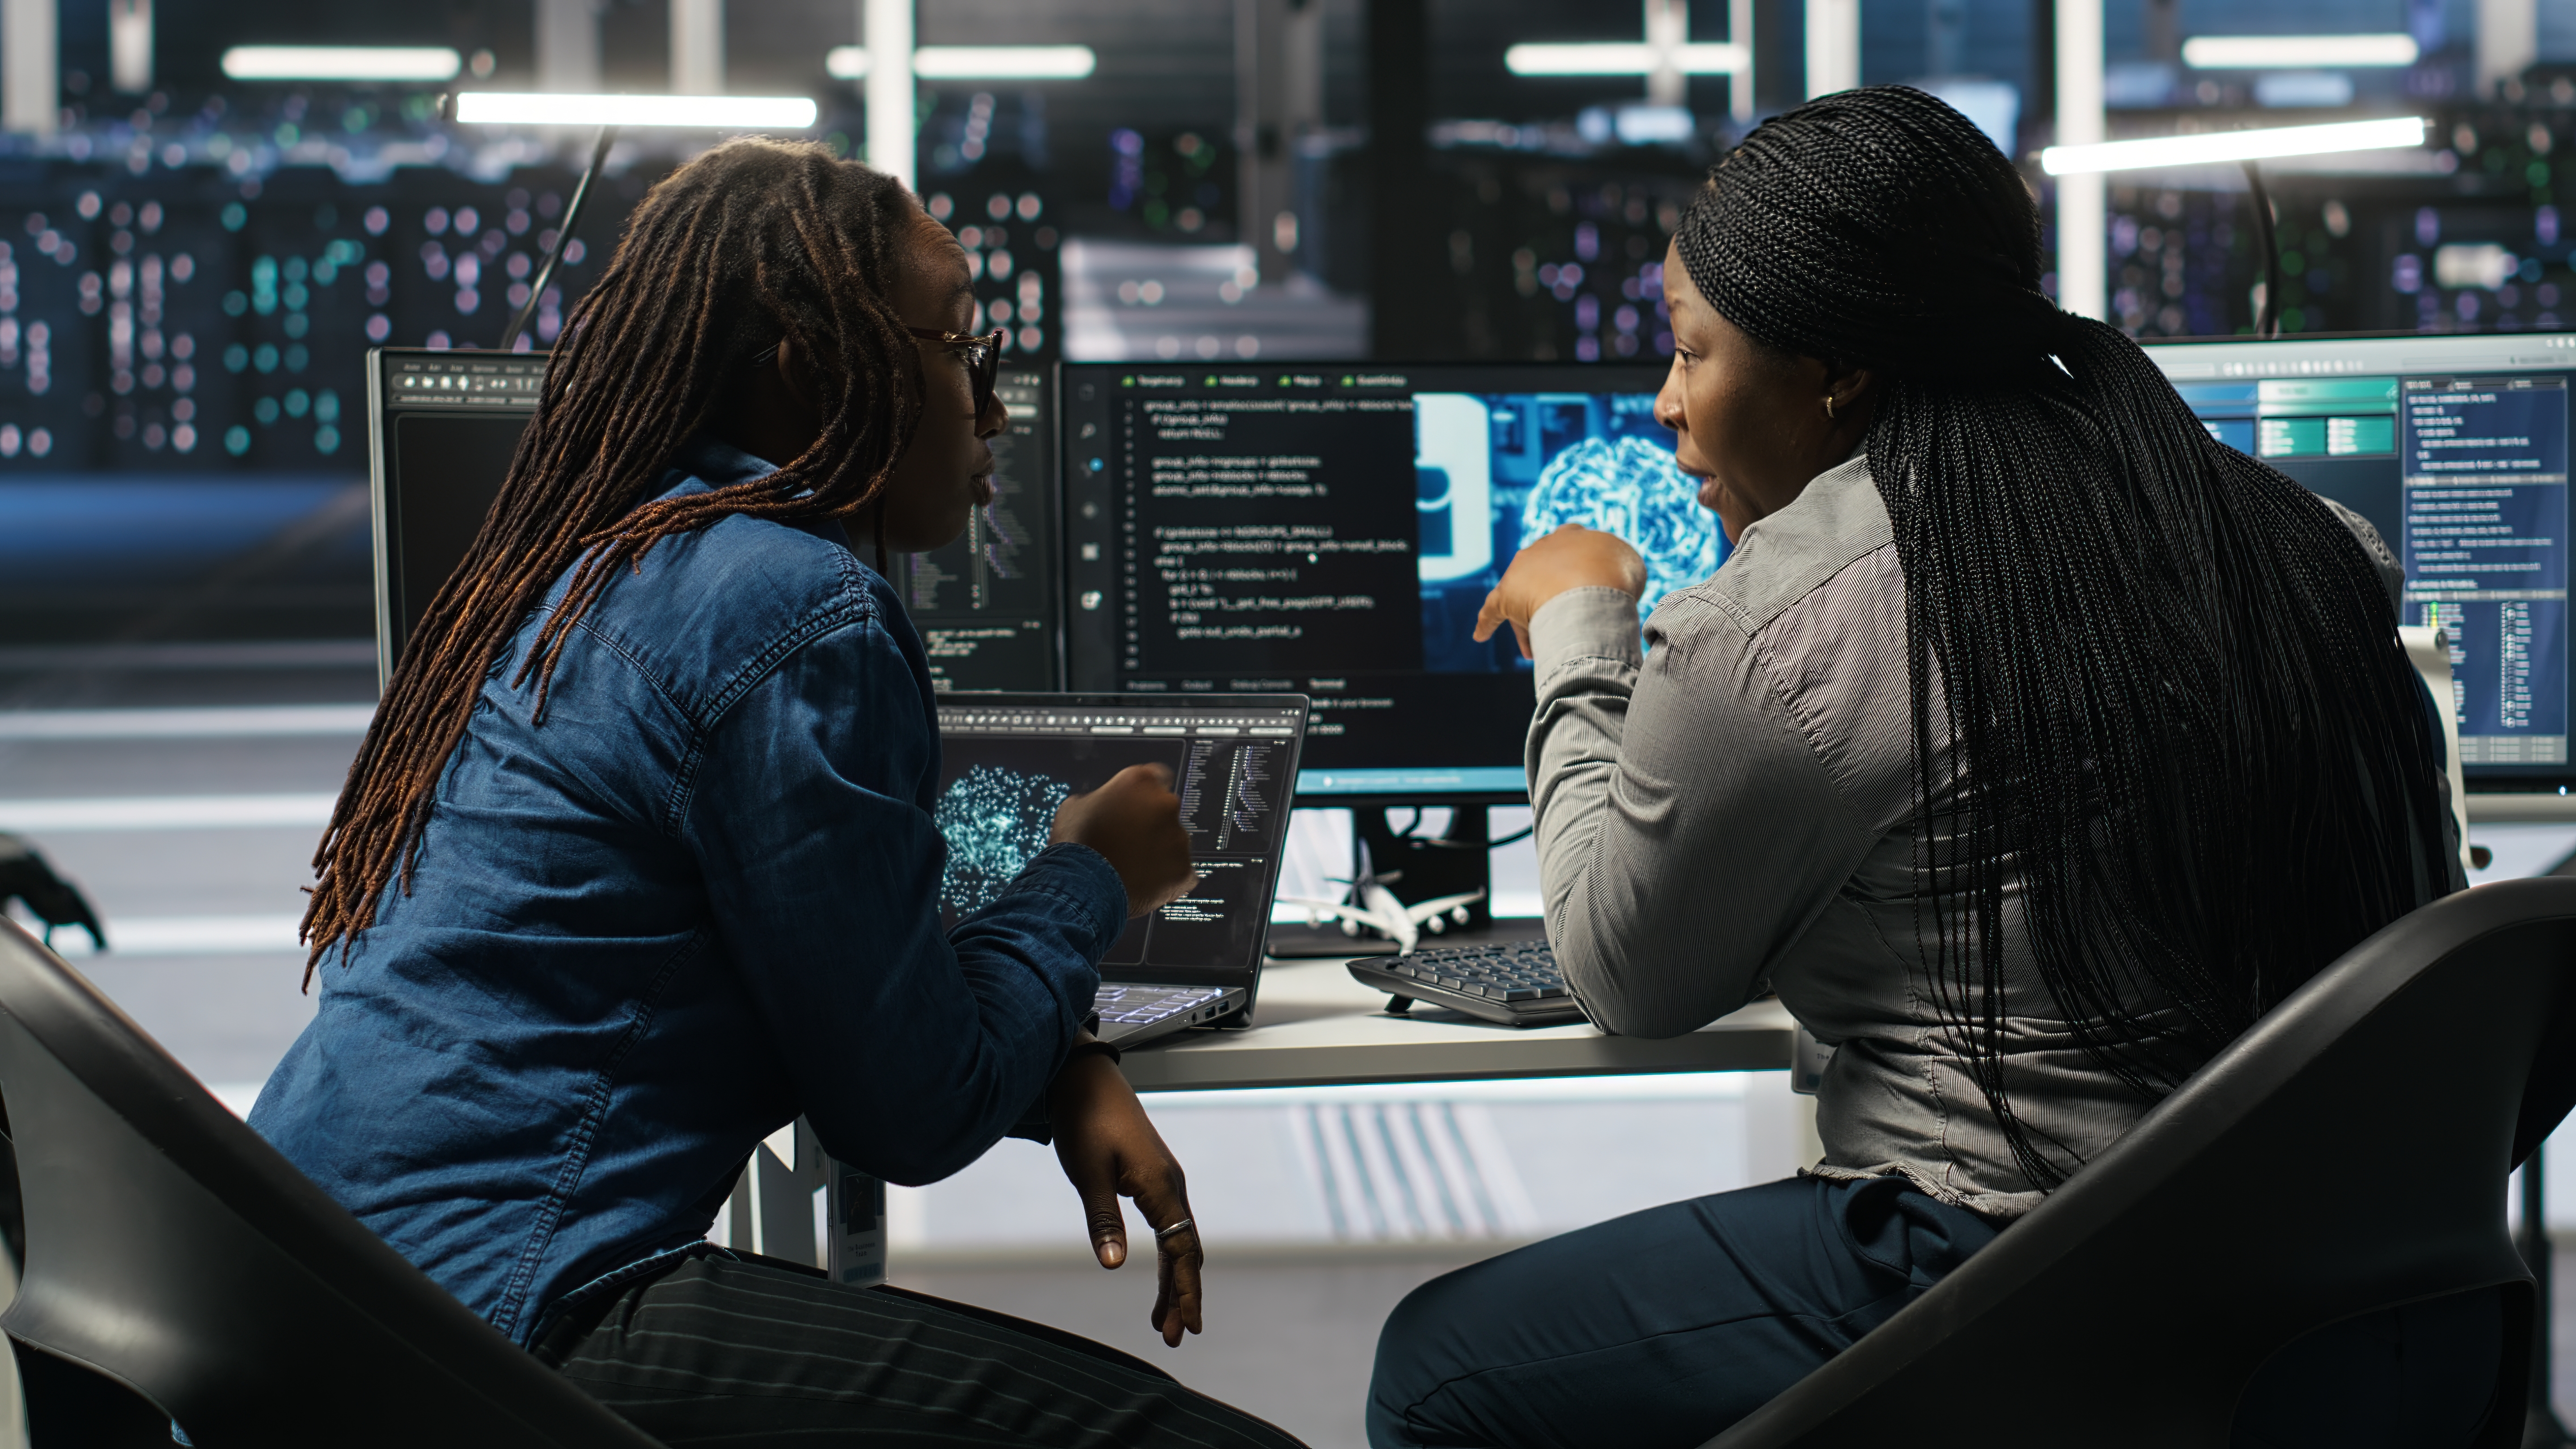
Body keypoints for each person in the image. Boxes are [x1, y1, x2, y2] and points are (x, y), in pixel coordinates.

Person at [1367, 88, 2473, 1449]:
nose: (1666, 402)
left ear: (1834, 369)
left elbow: (1628, 976)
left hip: (2024, 1288)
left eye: (1692, 351)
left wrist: (1580, 631)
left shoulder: (1786, 624)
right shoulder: (2305, 541)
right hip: (2360, 1305)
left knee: (1436, 1371)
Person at [254, 138, 1302, 1449]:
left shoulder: (587, 560)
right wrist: (1092, 874)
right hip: (500, 1312)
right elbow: (910, 1114)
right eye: (963, 351)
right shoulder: (796, 613)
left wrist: (1065, 1055)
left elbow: (831, 984)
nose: (993, 410)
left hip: (308, 1285)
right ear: (816, 369)